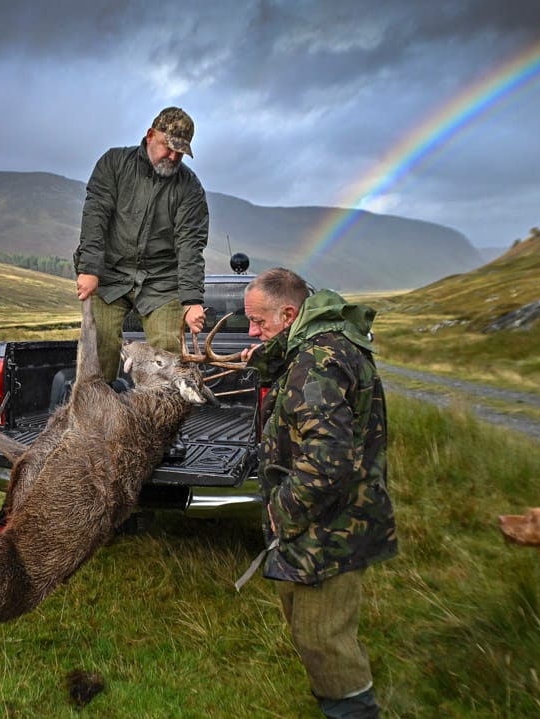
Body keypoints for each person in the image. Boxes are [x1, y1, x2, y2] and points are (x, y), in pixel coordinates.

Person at [240, 267, 398, 719]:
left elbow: (328, 462)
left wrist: (280, 511)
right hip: (328, 517)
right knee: (311, 627)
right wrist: (268, 356)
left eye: (258, 322)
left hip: (330, 523)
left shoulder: (318, 361)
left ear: (289, 314)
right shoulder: (316, 348)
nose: (251, 331)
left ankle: (353, 709)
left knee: (322, 637)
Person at [73, 106, 209, 382]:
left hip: (161, 282)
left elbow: (190, 245)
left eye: (180, 153)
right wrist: (89, 269)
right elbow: (95, 217)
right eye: (168, 147)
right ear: (150, 135)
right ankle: (96, 407)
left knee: (168, 353)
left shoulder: (190, 189)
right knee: (98, 348)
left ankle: (163, 410)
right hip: (110, 275)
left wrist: (192, 301)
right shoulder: (114, 164)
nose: (173, 157)